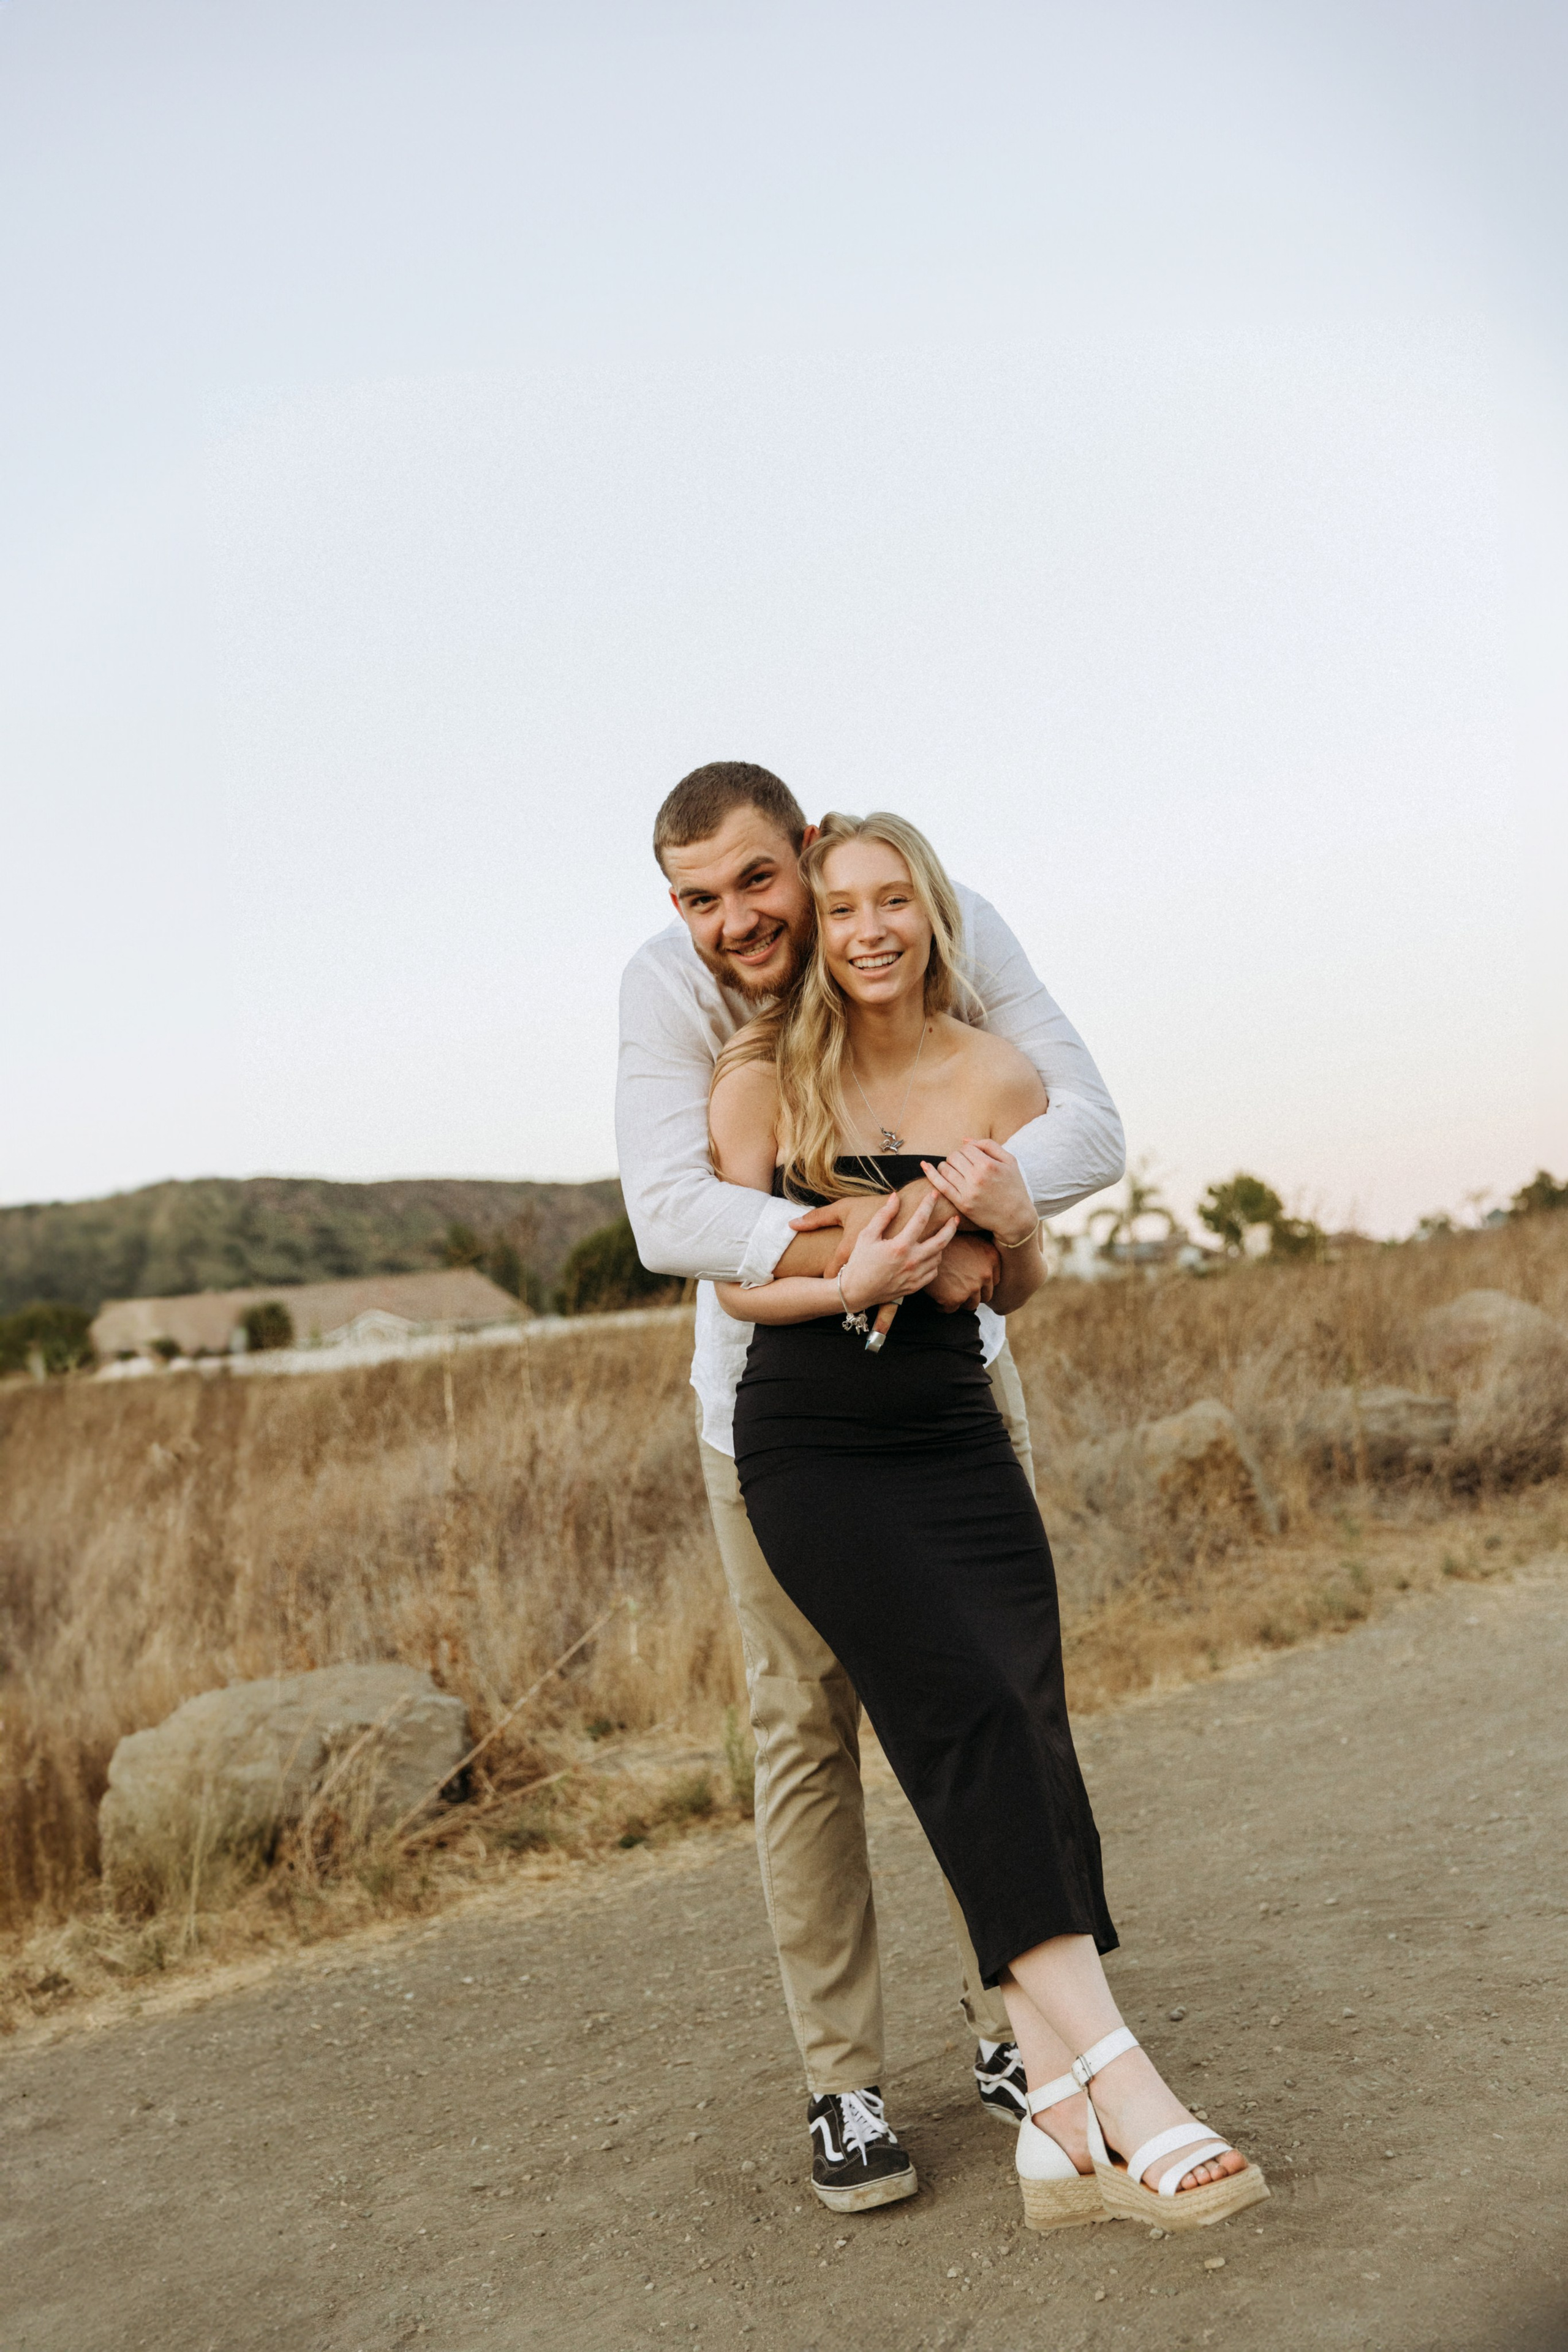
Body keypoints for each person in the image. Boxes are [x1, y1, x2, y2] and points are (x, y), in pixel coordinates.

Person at [709, 809, 1270, 2234]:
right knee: (957, 1713)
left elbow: (1011, 1291)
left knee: (1022, 1709)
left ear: (933, 916)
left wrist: (1008, 1227)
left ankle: (1053, 2117)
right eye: (841, 910)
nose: (870, 929)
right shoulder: (768, 1078)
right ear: (817, 940)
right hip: (814, 1439)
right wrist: (853, 1274)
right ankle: (1123, 2076)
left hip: (954, 1430)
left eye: (893, 901)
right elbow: (732, 1284)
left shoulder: (999, 1075)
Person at [615, 761, 1125, 2212]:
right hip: (769, 1421)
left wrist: (963, 1208)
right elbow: (673, 1218)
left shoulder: (935, 925)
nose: (738, 921)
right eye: (701, 899)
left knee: (992, 1697)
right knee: (804, 1735)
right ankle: (842, 2083)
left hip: (952, 1394)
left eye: (760, 882)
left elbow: (1082, 1126)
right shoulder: (676, 999)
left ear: (812, 850)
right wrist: (876, 1225)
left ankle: (1017, 2031)